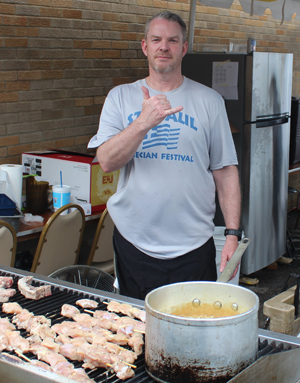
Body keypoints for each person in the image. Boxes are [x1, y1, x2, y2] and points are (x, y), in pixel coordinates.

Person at [87, 12, 242, 300]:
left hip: (193, 244)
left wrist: (232, 234)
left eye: (172, 40)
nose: (164, 46)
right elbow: (106, 161)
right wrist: (143, 123)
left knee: (192, 330)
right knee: (136, 330)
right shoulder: (120, 97)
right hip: (135, 242)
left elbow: (225, 171)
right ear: (145, 46)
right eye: (156, 39)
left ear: (183, 48)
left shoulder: (209, 101)